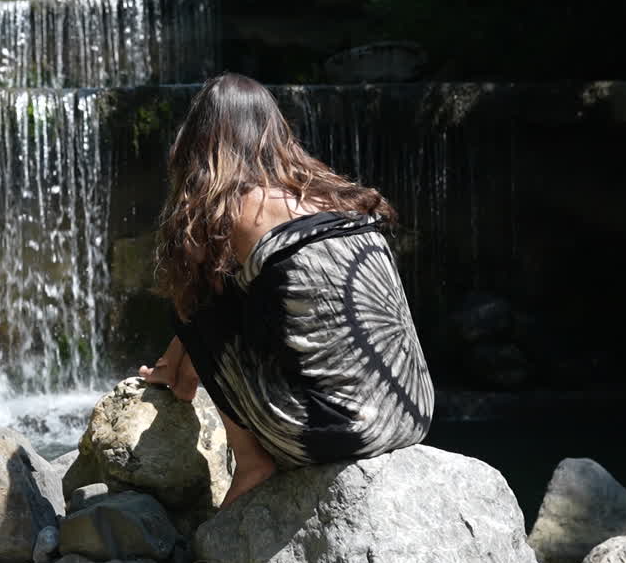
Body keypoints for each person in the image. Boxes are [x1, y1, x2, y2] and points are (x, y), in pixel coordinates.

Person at [138, 73, 434, 507]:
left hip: (338, 430)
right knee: (228, 292)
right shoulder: (334, 196)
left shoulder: (228, 209)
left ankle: (250, 460)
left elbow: (198, 306)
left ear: (199, 140)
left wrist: (179, 365)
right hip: (413, 409)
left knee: (194, 290)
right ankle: (176, 371)